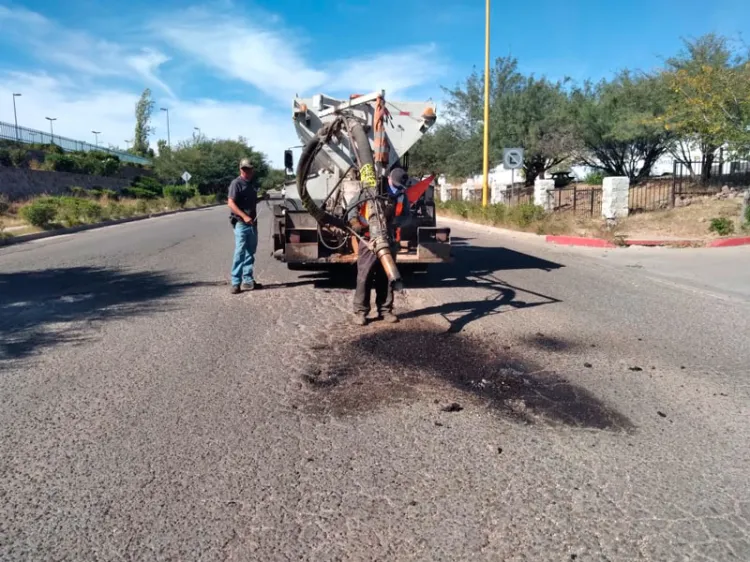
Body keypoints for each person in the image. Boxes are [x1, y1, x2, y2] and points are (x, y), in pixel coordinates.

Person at [348, 167, 414, 326]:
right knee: (365, 276)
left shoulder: (401, 195)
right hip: (369, 240)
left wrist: (396, 222)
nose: (396, 188)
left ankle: (385, 310)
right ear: (389, 179)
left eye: (399, 187)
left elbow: (407, 216)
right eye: (395, 185)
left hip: (389, 239)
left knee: (387, 276)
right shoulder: (370, 190)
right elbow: (352, 209)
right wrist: (355, 222)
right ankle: (360, 312)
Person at [228, 158, 262, 294]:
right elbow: (231, 203)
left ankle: (248, 280)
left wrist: (262, 198)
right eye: (244, 169)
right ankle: (235, 282)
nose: (247, 171)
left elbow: (252, 201)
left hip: (253, 223)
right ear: (240, 169)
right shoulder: (236, 183)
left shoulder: (251, 184)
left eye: (249, 169)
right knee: (240, 252)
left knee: (250, 253)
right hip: (241, 224)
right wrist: (244, 216)